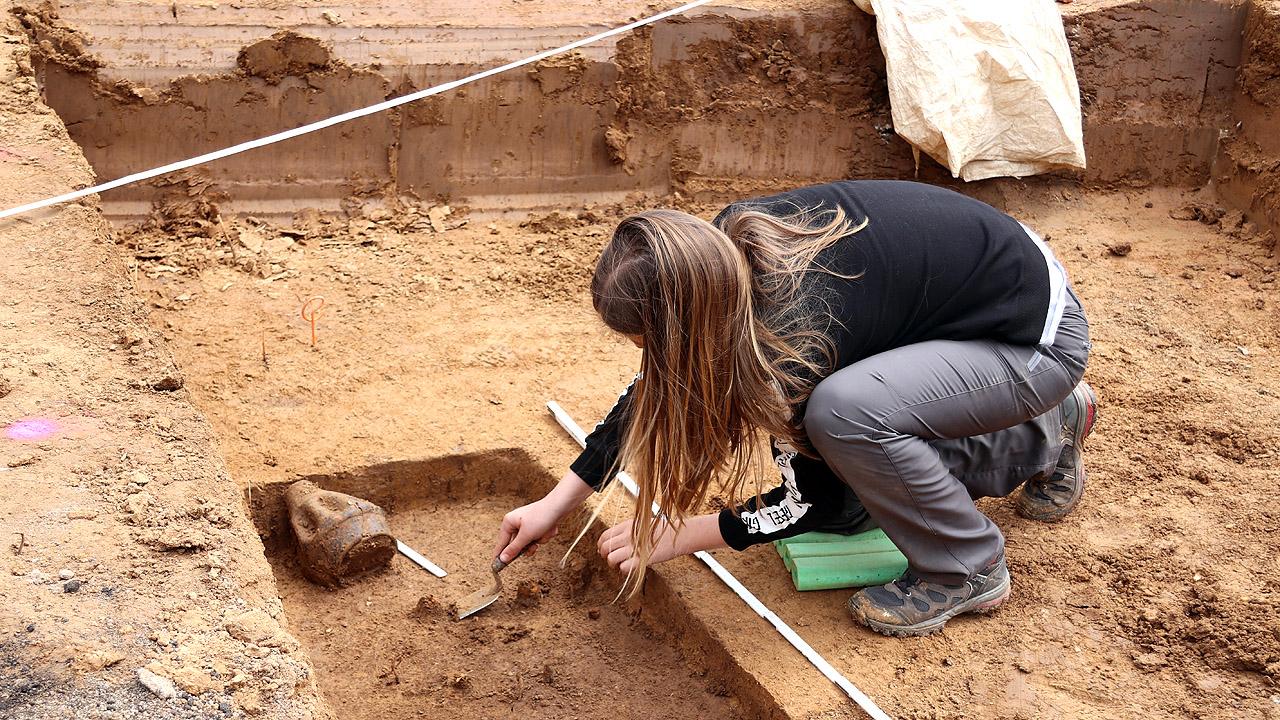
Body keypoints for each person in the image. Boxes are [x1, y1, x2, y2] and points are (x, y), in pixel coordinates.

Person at [493, 179, 1096, 637]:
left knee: (845, 419)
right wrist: (556, 502)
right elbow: (659, 387)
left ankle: (967, 565)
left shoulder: (796, 341)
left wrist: (684, 533)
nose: (654, 362)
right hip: (973, 309)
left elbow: (811, 501)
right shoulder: (717, 258)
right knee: (859, 464)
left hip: (1030, 341)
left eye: (653, 343)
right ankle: (1049, 426)